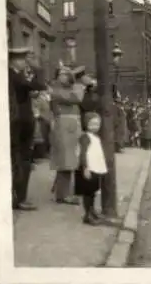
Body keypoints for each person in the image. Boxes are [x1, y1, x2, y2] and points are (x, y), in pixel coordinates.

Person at [9, 47, 47, 210]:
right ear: (14, 60)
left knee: (21, 160)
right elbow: (40, 85)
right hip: (19, 122)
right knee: (21, 161)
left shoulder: (17, 75)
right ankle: (19, 198)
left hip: (21, 121)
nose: (26, 62)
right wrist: (35, 68)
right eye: (23, 59)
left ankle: (18, 197)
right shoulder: (14, 76)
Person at [50, 65, 87, 205]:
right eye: (63, 74)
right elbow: (77, 97)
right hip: (65, 126)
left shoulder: (64, 88)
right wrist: (75, 80)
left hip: (71, 125)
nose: (66, 76)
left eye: (67, 74)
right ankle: (63, 195)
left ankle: (60, 191)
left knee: (70, 160)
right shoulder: (57, 89)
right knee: (66, 161)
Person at [74, 113, 107, 225]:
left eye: (97, 124)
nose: (95, 126)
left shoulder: (96, 137)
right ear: (86, 124)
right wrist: (85, 167)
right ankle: (87, 214)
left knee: (93, 191)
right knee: (87, 192)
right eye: (92, 124)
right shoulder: (85, 137)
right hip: (88, 168)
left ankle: (92, 211)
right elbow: (83, 153)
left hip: (95, 167)